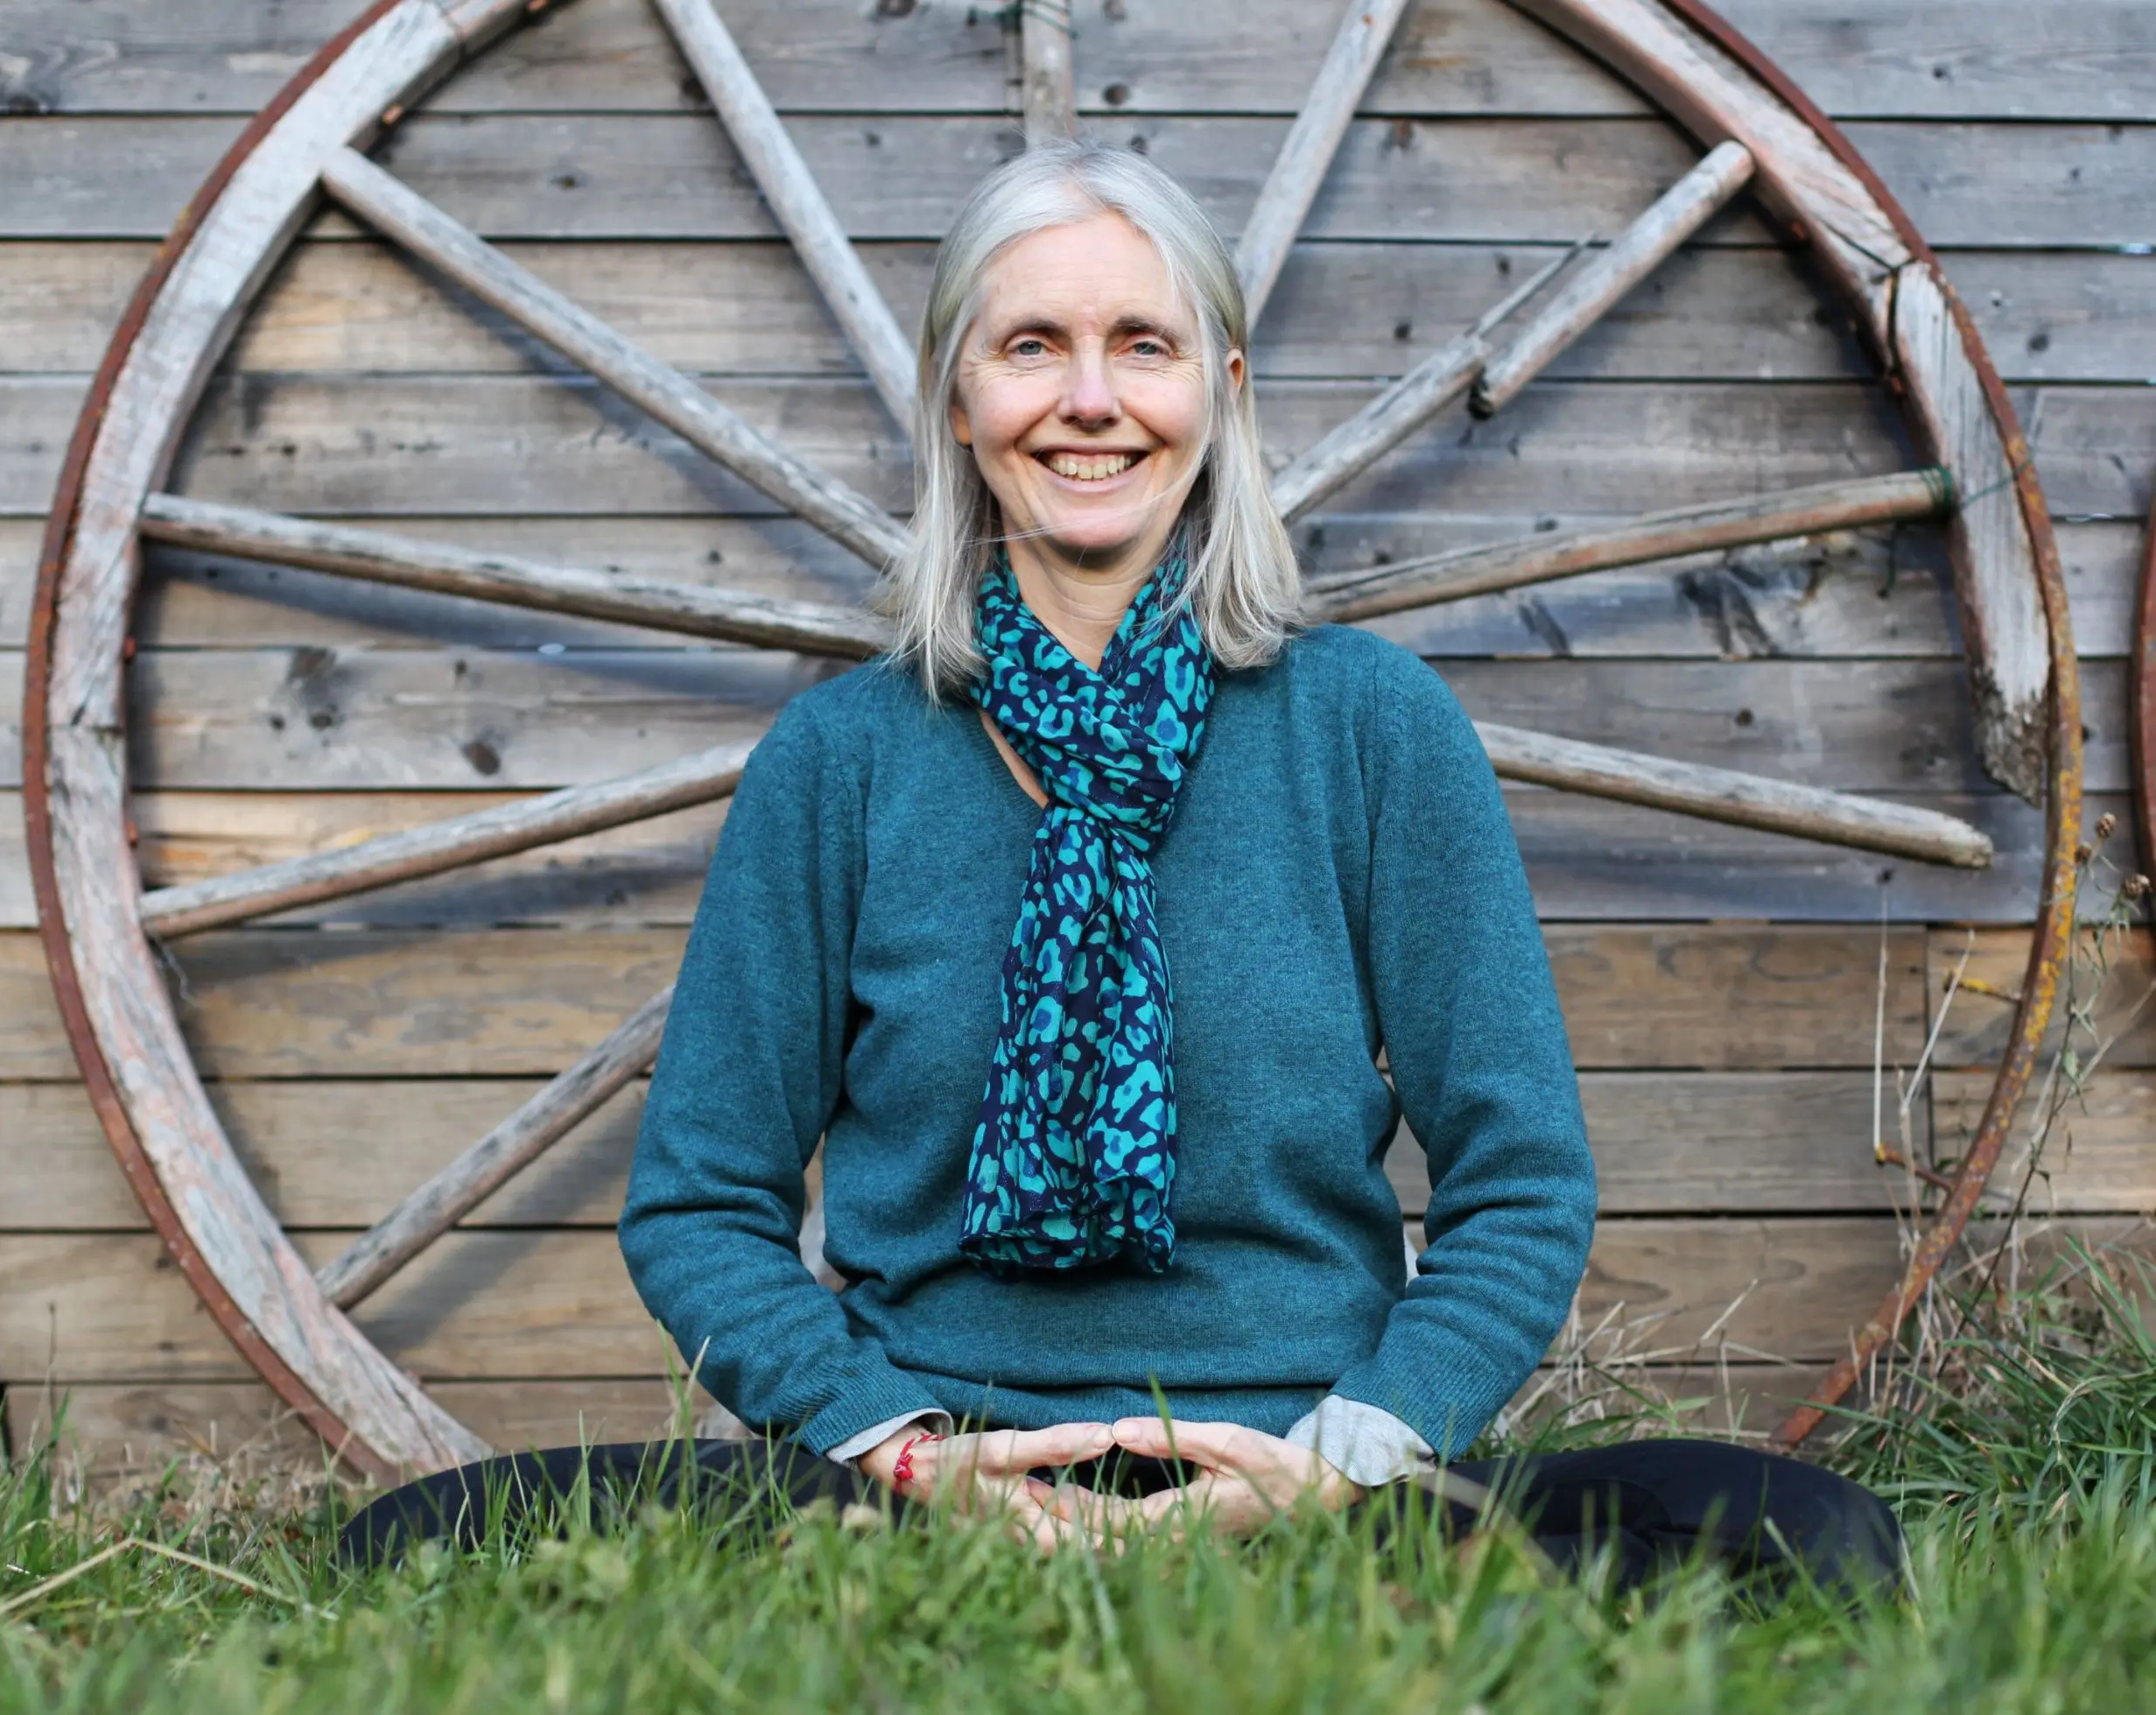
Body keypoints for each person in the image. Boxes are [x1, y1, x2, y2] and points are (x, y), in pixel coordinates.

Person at [341, 140, 1902, 1591]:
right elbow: (696, 1201)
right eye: (1031, 348)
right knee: (425, 1542)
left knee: (1800, 1532)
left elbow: (1522, 1183)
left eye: (1140, 347)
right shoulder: (840, 762)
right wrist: (902, 1449)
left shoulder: (1367, 729)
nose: (1089, 400)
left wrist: (1344, 1454)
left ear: (1217, 390)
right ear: (960, 403)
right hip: (929, 1485)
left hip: (1316, 1473)